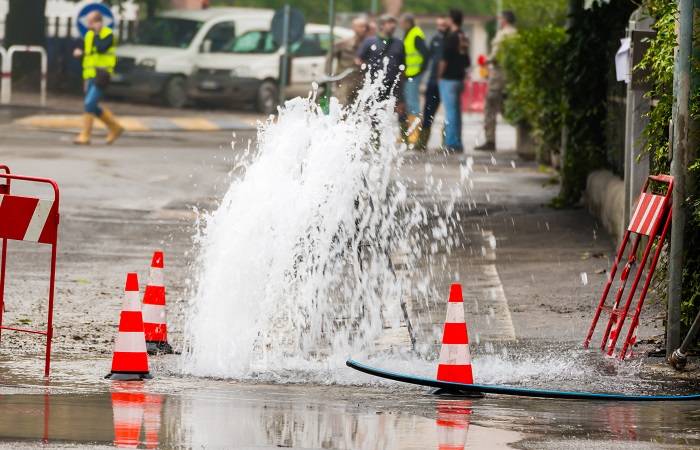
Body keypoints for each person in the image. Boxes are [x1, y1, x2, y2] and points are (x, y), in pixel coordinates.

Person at [73, 11, 123, 145]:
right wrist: (79, 53)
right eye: (88, 22)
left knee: (89, 103)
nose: (88, 25)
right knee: (92, 105)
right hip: (89, 75)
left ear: (98, 22)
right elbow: (89, 53)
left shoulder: (108, 34)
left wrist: (97, 32)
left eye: (91, 22)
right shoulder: (89, 35)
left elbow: (100, 48)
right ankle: (115, 127)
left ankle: (85, 135)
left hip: (102, 75)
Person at [474, 10, 517, 151]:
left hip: (499, 75)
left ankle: (490, 141)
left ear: (504, 20)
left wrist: (485, 60)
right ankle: (528, 136)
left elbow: (495, 55)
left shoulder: (503, 34)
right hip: (511, 75)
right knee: (508, 106)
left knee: (491, 106)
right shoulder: (516, 34)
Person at [437, 9, 470, 152]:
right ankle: (457, 142)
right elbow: (466, 60)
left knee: (450, 112)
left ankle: (450, 143)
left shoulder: (451, 38)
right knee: (456, 112)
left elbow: (444, 59)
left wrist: (439, 75)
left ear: (451, 20)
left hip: (449, 79)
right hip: (459, 79)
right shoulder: (463, 36)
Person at [356, 14, 405, 103]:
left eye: (394, 23)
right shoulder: (370, 41)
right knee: (372, 110)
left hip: (393, 84)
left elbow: (403, 63)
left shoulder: (399, 43)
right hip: (373, 83)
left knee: (394, 110)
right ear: (382, 25)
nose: (393, 26)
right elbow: (359, 59)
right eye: (389, 23)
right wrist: (363, 71)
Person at [418, 16, 448, 150]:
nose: (439, 28)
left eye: (442, 25)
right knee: (428, 111)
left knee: (448, 114)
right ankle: (422, 142)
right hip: (432, 81)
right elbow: (428, 57)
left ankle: (446, 142)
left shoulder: (450, 39)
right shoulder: (435, 39)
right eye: (438, 25)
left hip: (445, 80)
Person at [399, 13, 429, 145]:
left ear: (408, 22)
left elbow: (426, 54)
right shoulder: (408, 33)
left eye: (402, 22)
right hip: (409, 74)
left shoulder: (415, 34)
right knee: (409, 104)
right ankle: (409, 133)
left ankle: (414, 134)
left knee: (413, 105)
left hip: (414, 74)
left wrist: (420, 71)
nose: (401, 25)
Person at [327, 16, 370, 105]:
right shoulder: (344, 43)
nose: (364, 29)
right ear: (354, 27)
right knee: (342, 105)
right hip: (345, 80)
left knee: (360, 107)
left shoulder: (369, 44)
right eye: (361, 26)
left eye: (365, 26)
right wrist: (329, 75)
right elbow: (329, 58)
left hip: (362, 80)